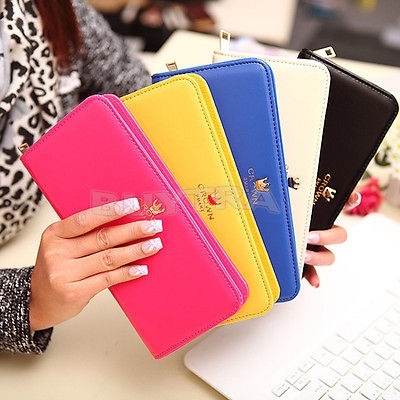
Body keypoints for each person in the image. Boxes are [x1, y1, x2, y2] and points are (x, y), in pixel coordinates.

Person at [0, 0, 359, 355]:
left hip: (92, 237)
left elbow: (140, 96)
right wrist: (28, 301)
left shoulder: (49, 8)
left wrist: (284, 207)